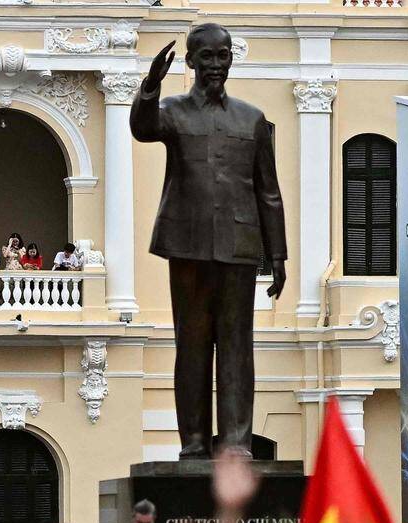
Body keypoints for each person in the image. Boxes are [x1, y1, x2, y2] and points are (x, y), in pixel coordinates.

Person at [132, 23, 287, 458]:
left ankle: (236, 442)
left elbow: (268, 192)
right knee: (192, 345)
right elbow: (142, 128)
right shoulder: (172, 111)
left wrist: (277, 255)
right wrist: (150, 87)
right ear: (191, 61)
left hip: (239, 246)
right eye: (207, 56)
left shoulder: (251, 119)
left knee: (237, 346)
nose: (216, 64)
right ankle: (195, 443)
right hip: (186, 243)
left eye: (223, 55)